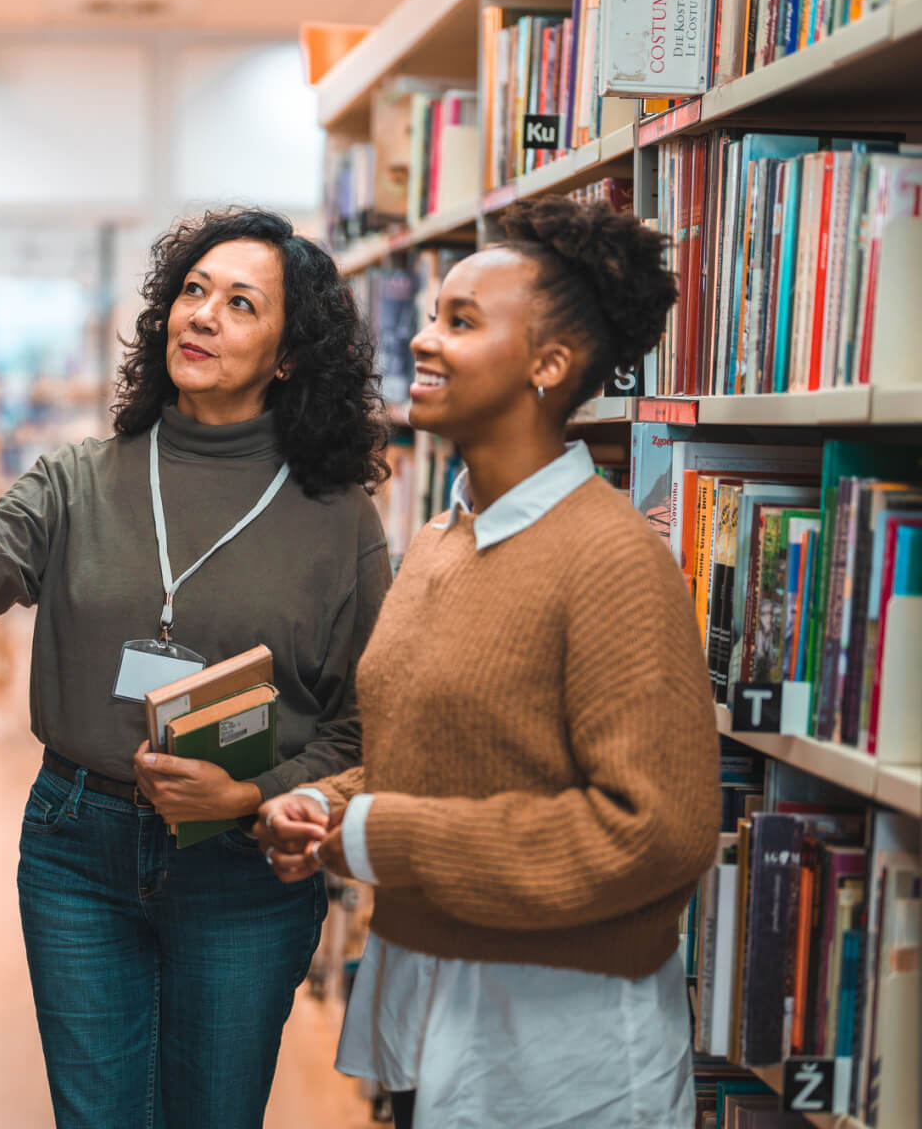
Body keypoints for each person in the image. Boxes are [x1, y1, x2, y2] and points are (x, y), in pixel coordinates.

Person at [0, 207, 393, 1129]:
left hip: (243, 862)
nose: (203, 315)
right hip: (77, 845)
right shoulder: (80, 477)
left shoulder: (339, 521)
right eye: (192, 291)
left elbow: (362, 725)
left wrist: (250, 797)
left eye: (241, 303)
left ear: (290, 354)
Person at [256, 195, 720, 1129]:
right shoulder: (440, 540)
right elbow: (437, 761)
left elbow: (656, 835)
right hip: (437, 1006)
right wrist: (331, 806)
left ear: (548, 365)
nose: (424, 342)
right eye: (431, 316)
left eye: (461, 323)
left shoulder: (611, 559)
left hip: (561, 1046)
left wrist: (378, 836)